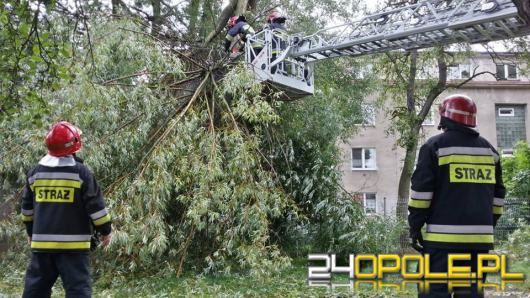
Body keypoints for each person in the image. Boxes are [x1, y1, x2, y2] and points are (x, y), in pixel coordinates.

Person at [408, 94, 505, 298]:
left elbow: (421, 195)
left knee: (433, 292)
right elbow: (498, 198)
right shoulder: (490, 152)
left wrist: (415, 227)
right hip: (478, 244)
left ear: (445, 117)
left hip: (441, 243)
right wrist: (486, 225)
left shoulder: (434, 147)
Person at [21, 121, 112, 298]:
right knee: (78, 291)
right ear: (74, 145)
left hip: (42, 247)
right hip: (74, 248)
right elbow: (96, 208)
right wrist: (105, 231)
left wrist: (31, 232)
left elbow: (27, 210)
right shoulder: (81, 173)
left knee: (35, 291)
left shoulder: (35, 173)